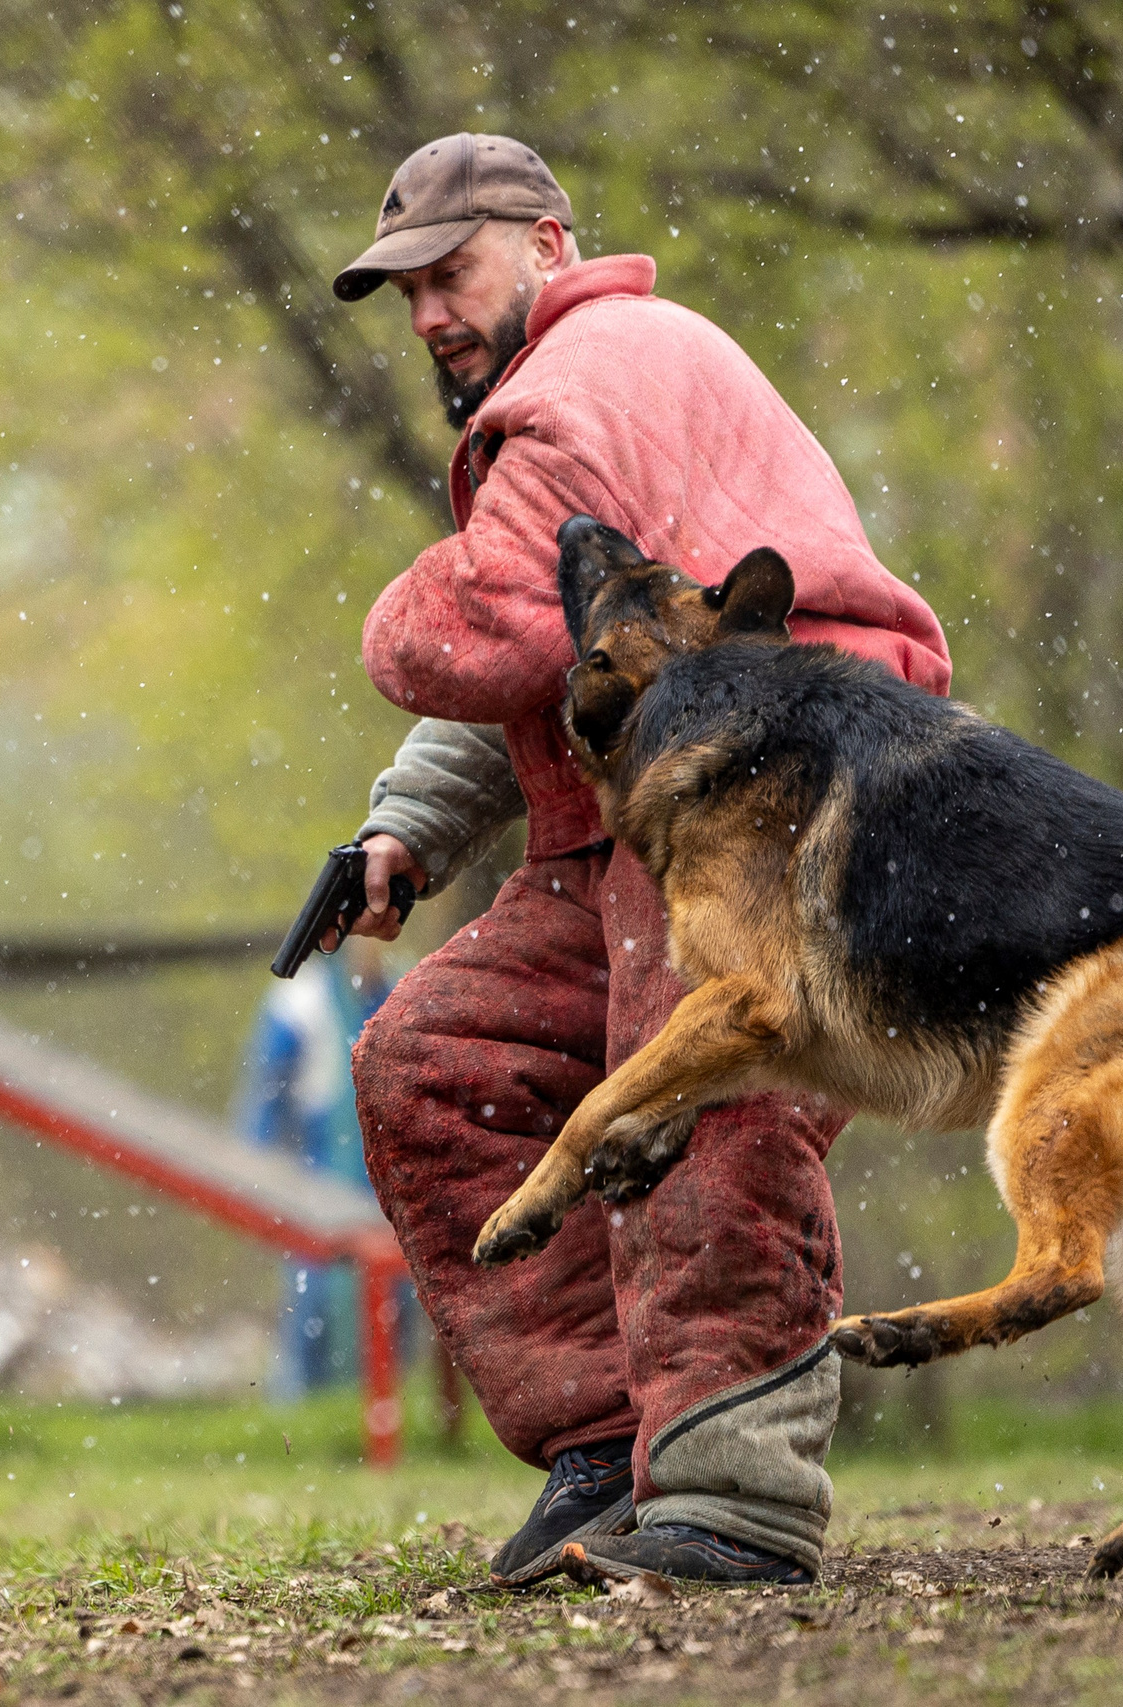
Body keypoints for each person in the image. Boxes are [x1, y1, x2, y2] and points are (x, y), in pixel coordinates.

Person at [329, 135, 951, 1585]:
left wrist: (384, 628)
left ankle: (735, 1490)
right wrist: (404, 825)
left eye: (449, 271)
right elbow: (574, 665)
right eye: (403, 289)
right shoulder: (570, 392)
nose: (426, 313)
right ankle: (610, 1439)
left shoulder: (584, 379)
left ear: (548, 243)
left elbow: (492, 625)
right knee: (437, 1057)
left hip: (780, 788)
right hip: (642, 819)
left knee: (709, 1093)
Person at [234, 944, 397, 1395]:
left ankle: (377, 1404)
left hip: (381, 1176)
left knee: (390, 1302)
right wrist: (258, 1175)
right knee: (312, 1302)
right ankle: (302, 1406)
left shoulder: (402, 991)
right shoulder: (300, 1002)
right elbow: (264, 1098)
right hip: (318, 1167)